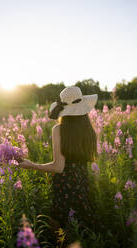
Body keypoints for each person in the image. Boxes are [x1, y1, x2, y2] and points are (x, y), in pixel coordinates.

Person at [18, 86, 99, 240]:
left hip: (65, 184)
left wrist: (31, 165)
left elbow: (58, 167)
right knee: (81, 224)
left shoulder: (59, 130)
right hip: (83, 181)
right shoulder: (89, 129)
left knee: (60, 228)